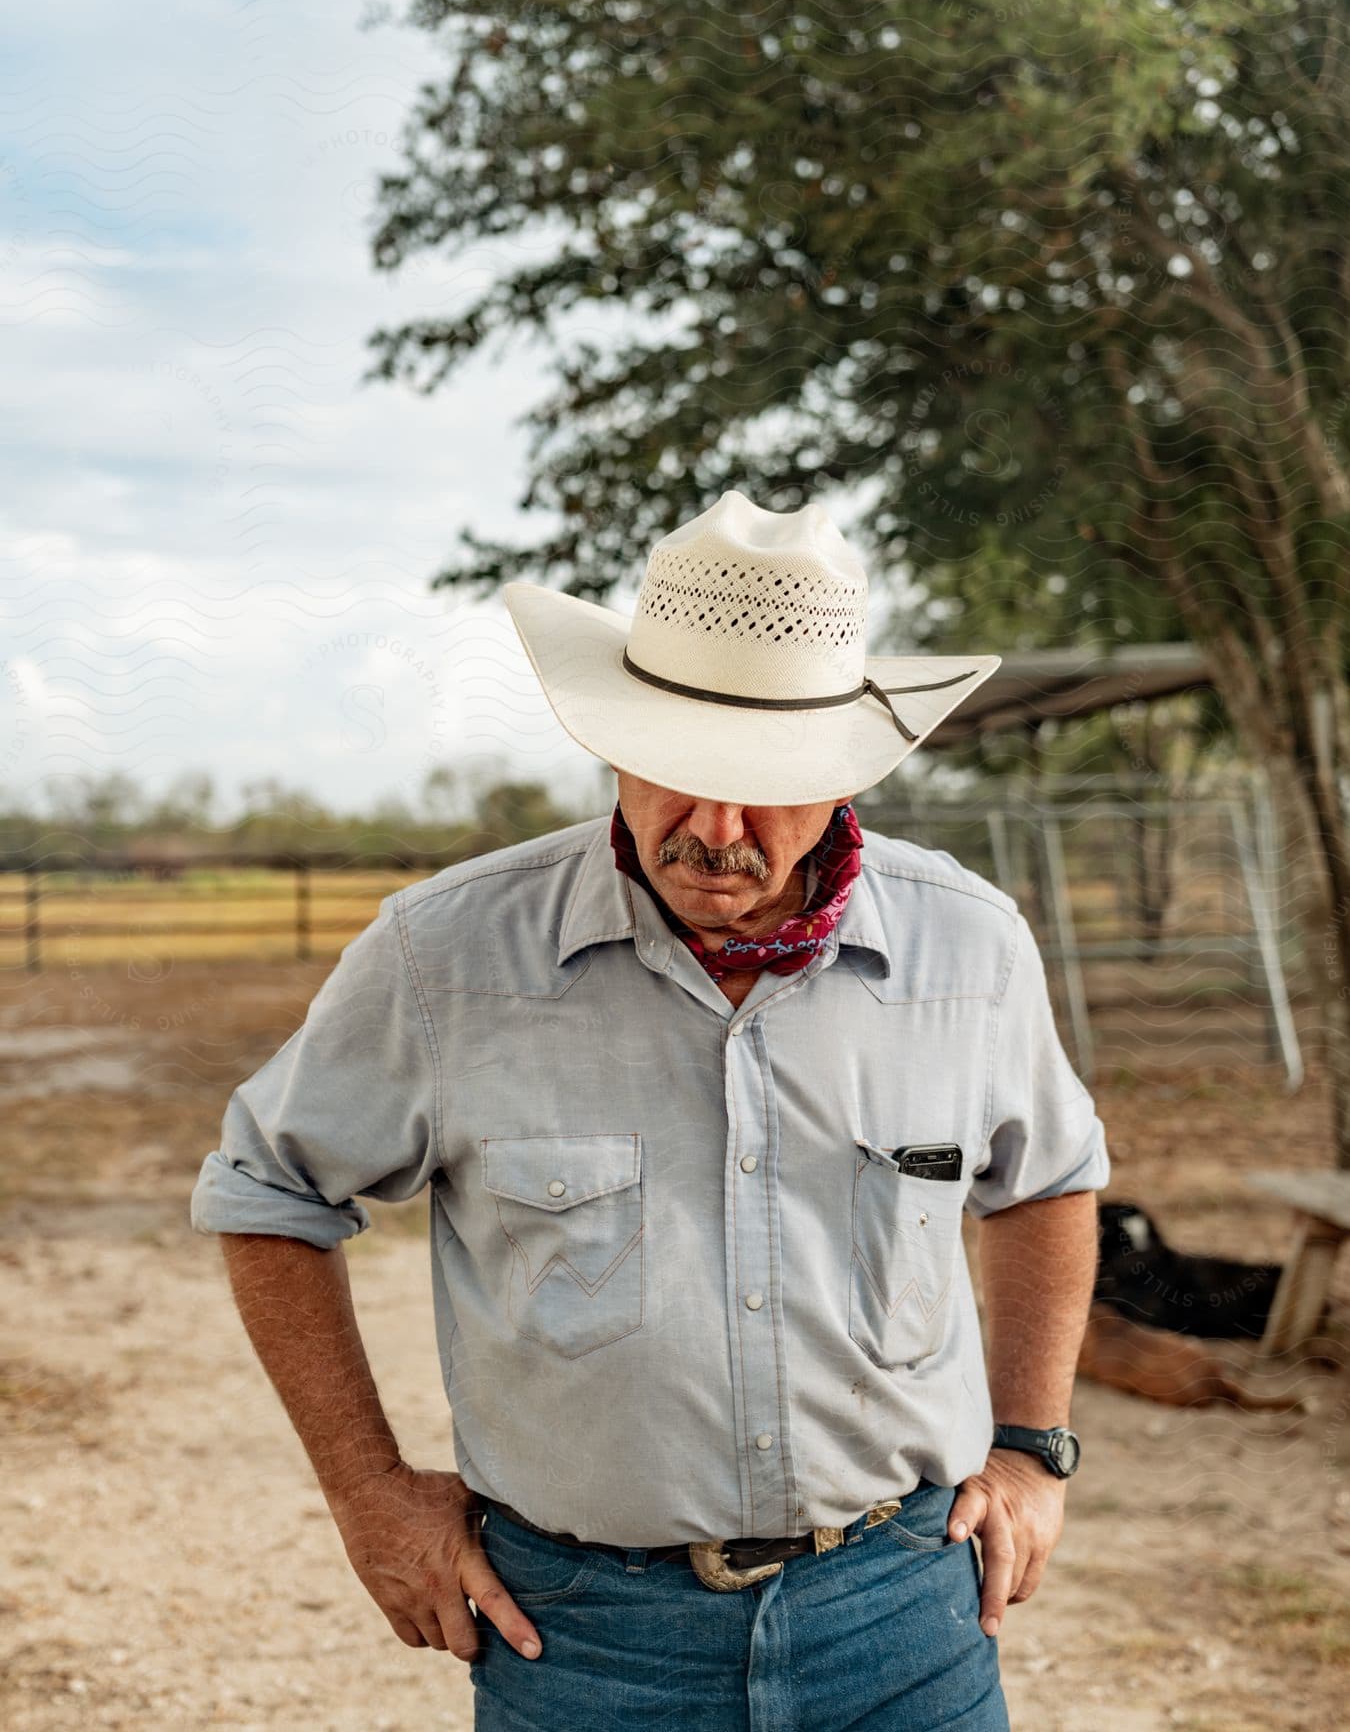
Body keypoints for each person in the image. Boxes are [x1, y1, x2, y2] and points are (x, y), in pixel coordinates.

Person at [191, 489, 1109, 1730]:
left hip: (905, 1618)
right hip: (584, 1639)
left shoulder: (969, 948)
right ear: (612, 737)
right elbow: (266, 1190)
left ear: (844, 772)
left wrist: (1032, 1449)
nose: (714, 829)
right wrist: (366, 1490)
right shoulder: (445, 956)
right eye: (675, 769)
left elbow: (1046, 1178)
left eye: (767, 784)